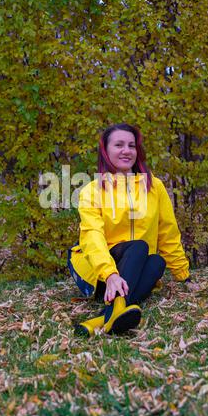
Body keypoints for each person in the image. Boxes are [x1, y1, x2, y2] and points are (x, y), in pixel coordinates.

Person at [67, 123, 191, 337]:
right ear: (106, 150)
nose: (127, 150)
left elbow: (167, 232)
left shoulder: (155, 187)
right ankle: (114, 308)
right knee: (139, 247)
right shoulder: (92, 191)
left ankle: (108, 316)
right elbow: (92, 236)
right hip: (102, 274)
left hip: (134, 271)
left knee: (157, 261)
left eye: (131, 145)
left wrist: (183, 275)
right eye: (119, 145)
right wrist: (110, 274)